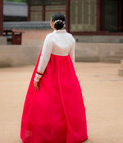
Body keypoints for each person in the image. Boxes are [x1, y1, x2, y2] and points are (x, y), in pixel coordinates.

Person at [20, 12, 88, 143]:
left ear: (53, 23)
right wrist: (72, 76)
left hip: (51, 72)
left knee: (48, 102)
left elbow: (44, 58)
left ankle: (49, 133)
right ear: (64, 24)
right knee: (67, 103)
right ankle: (67, 133)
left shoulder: (50, 38)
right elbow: (72, 59)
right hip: (67, 72)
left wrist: (37, 76)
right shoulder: (71, 38)